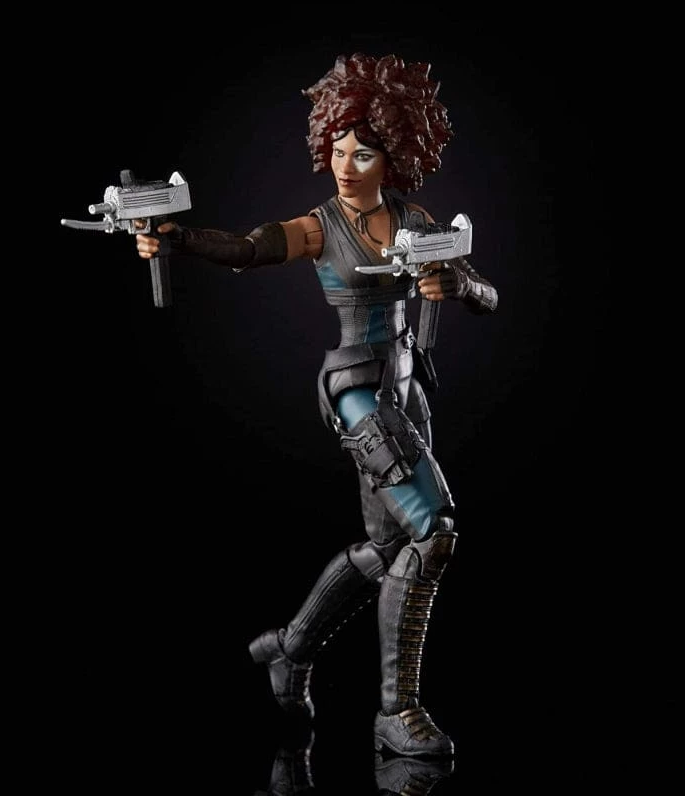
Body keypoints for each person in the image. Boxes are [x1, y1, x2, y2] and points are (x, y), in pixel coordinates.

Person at [135, 52, 498, 757]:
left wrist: (456, 285)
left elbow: (484, 290)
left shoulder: (414, 218)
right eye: (336, 149)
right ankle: (397, 712)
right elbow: (247, 248)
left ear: (395, 156)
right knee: (433, 531)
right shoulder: (320, 225)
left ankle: (291, 648)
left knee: (387, 548)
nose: (345, 165)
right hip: (356, 389)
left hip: (407, 388)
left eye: (363, 153)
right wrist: (178, 240)